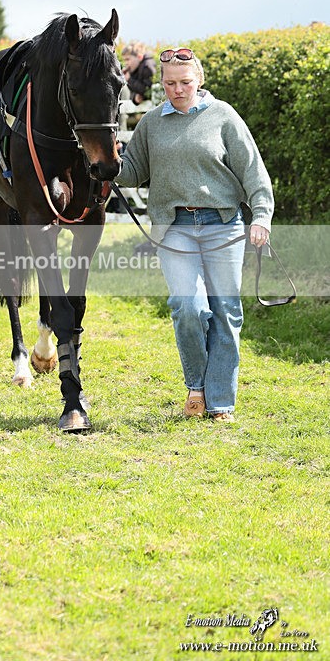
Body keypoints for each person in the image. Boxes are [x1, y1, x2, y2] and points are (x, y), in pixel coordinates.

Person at [115, 47, 273, 422]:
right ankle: (196, 386)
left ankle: (219, 402)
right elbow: (131, 172)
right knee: (187, 307)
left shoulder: (223, 116)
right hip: (175, 228)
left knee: (225, 312)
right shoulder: (152, 123)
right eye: (170, 83)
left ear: (199, 80)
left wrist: (262, 215)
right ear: (162, 85)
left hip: (223, 226)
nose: (178, 90)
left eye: (185, 82)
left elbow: (253, 170)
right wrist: (104, 161)